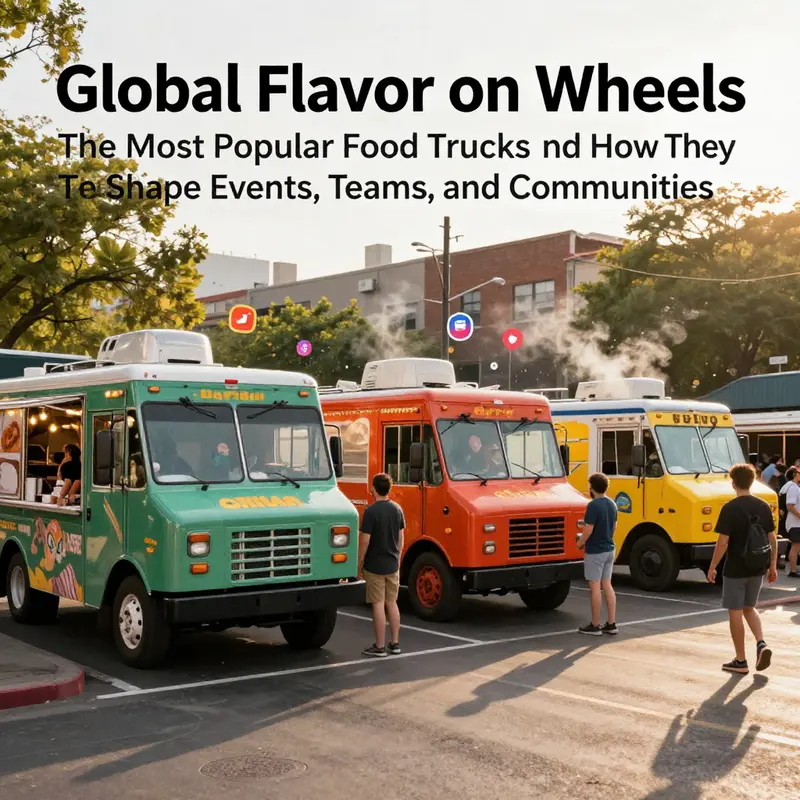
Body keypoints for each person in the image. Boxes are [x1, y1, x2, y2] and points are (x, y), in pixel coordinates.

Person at [708, 463, 778, 674]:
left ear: (733, 483)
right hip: (758, 565)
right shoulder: (763, 506)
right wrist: (772, 565)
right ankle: (761, 643)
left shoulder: (730, 508)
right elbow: (772, 538)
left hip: (736, 567)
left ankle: (740, 660)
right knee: (750, 607)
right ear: (752, 481)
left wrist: (712, 567)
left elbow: (722, 543)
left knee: (735, 611)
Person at [359, 473, 405, 658]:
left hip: (374, 565)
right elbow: (401, 536)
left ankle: (379, 646)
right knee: (392, 603)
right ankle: (395, 643)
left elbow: (365, 541)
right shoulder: (397, 509)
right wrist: (398, 557)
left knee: (378, 604)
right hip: (392, 564)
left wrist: (359, 562)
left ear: (373, 489)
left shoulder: (371, 512)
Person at [576, 472, 618, 635]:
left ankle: (595, 624)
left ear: (592, 488)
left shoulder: (593, 506)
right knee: (607, 584)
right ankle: (612, 623)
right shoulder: (612, 504)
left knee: (594, 587)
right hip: (609, 548)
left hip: (595, 551)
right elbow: (613, 527)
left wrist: (580, 543)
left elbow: (588, 529)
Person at [781, 466, 800, 578]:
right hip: (795, 523)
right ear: (795, 474)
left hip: (796, 523)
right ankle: (793, 570)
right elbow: (790, 506)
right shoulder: (792, 488)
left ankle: (794, 569)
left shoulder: (795, 487)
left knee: (796, 546)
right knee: (795, 546)